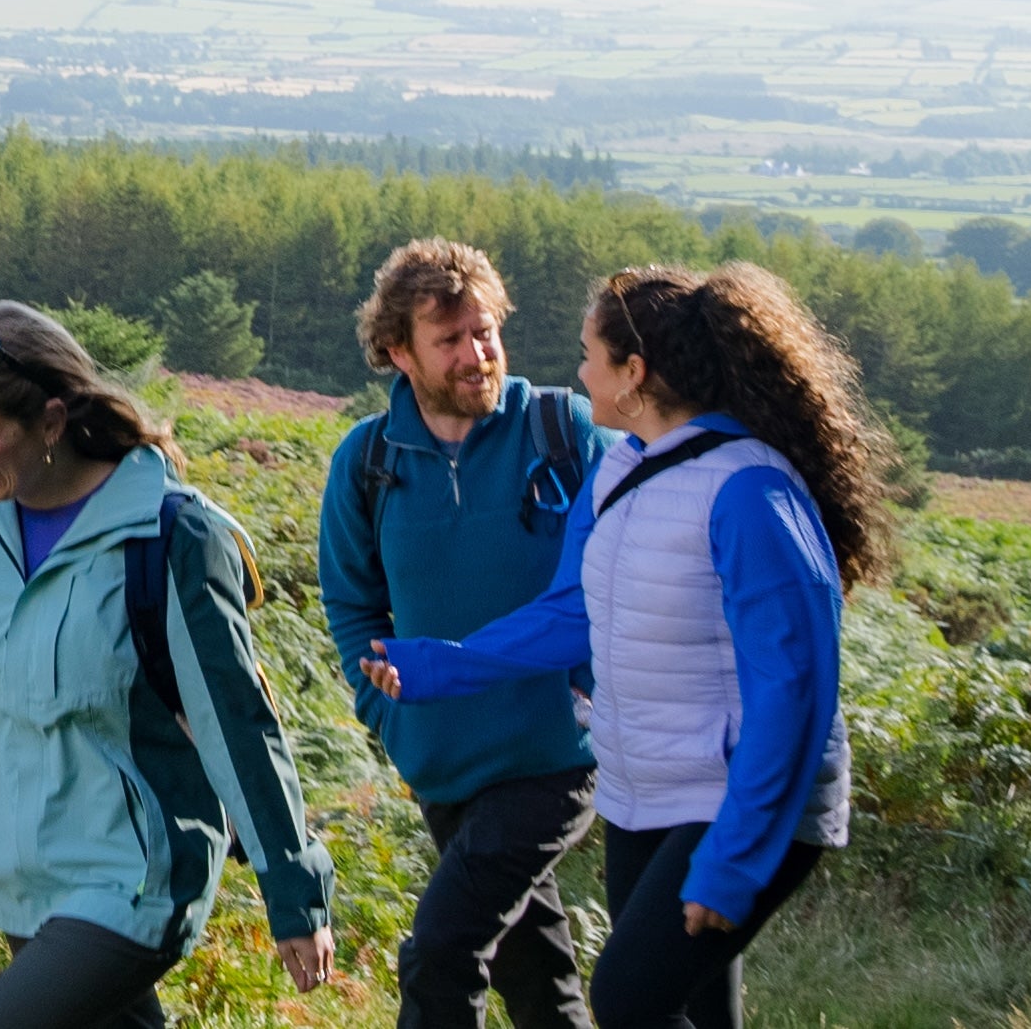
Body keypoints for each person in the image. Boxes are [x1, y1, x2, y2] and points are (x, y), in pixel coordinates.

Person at [362, 262, 889, 1029]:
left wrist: (738, 854)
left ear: (634, 374)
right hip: (653, 790)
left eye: (589, 355)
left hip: (739, 797)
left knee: (628, 1000)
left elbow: (795, 690)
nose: (577, 371)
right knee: (694, 1009)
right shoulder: (621, 470)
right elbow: (572, 613)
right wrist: (444, 662)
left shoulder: (751, 491)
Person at [0, 301, 337, 1029]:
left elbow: (236, 724)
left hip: (133, 880)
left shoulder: (169, 537)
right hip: (18, 877)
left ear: (53, 423)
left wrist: (293, 888)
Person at [317, 238, 610, 1029]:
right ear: (396, 353)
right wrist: (389, 713)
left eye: (485, 332)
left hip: (554, 756)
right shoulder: (367, 463)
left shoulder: (563, 432)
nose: (477, 355)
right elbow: (351, 605)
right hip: (443, 765)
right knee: (540, 981)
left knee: (441, 953)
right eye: (450, 340)